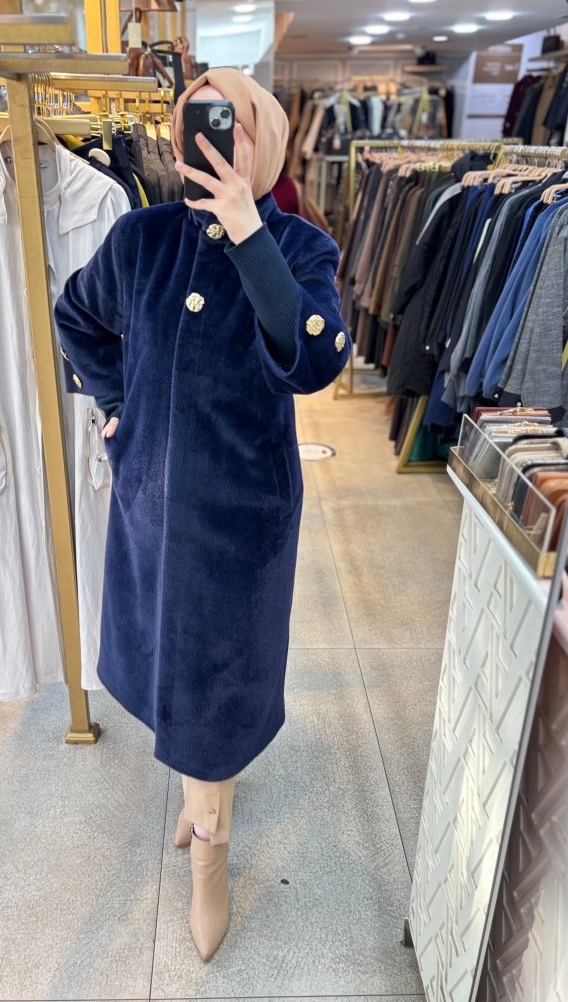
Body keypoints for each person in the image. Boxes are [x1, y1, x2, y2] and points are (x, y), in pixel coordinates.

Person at [54, 68, 351, 962]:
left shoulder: (300, 246)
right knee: (163, 670)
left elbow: (314, 361)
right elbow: (77, 318)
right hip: (150, 507)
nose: (213, 140)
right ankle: (200, 795)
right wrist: (117, 403)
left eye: (232, 123)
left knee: (218, 690)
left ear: (265, 138)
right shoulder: (141, 238)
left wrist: (249, 231)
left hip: (239, 523)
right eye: (195, 124)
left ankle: (210, 852)